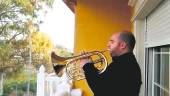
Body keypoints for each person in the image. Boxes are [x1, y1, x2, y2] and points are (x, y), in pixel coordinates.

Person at [80, 31, 142, 96]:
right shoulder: (123, 62)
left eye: (112, 42)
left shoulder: (126, 66)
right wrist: (89, 64)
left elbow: (100, 89)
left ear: (122, 45)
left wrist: (86, 65)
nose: (108, 45)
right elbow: (105, 81)